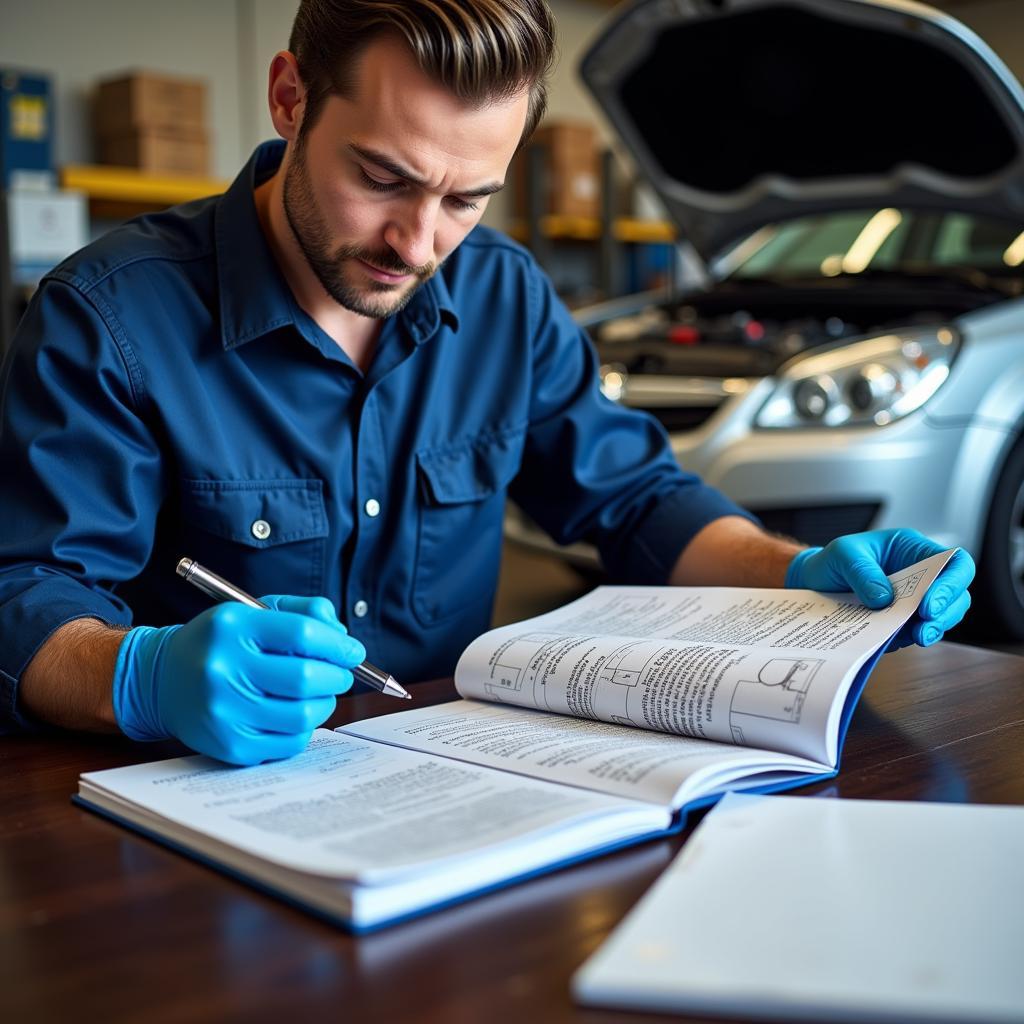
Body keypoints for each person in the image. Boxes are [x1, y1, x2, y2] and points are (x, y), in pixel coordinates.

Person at [0, 0, 973, 765]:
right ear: (291, 98)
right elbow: (28, 588)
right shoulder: (110, 316)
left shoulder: (504, 294)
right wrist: (138, 673)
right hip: (179, 807)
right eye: (381, 176)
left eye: (466, 197)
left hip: (448, 781)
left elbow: (635, 499)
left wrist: (794, 572)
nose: (417, 244)